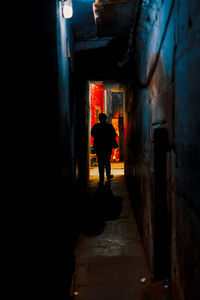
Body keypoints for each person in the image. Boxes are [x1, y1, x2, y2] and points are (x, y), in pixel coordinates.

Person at [91, 113, 118, 185]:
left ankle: (101, 178)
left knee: (100, 163)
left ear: (99, 119)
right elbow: (114, 135)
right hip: (107, 147)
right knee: (107, 161)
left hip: (99, 147)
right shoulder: (109, 126)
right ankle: (108, 175)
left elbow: (92, 134)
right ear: (106, 119)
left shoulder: (96, 126)